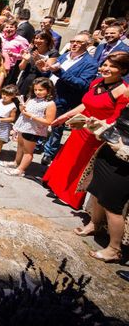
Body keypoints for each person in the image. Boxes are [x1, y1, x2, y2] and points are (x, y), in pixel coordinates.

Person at [42, 52, 129, 209]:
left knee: (81, 165)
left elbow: (116, 120)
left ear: (123, 70)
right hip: (80, 127)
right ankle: (57, 187)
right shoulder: (96, 82)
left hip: (97, 135)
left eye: (113, 66)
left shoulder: (124, 91)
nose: (106, 68)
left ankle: (71, 196)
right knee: (68, 159)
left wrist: (93, 124)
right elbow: (86, 104)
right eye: (105, 64)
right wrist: (67, 115)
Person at [74, 105, 129, 262]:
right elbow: (117, 126)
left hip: (124, 165)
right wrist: (99, 126)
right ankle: (94, 224)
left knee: (113, 206)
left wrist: (123, 150)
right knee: (97, 192)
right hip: (108, 154)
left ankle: (114, 249)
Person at [38, 32, 99, 165]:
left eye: (79, 42)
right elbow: (52, 71)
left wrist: (60, 73)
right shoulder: (65, 55)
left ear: (88, 45)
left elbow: (82, 84)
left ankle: (49, 152)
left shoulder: (90, 63)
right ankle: (38, 142)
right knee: (42, 120)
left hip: (64, 99)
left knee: (56, 127)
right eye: (72, 41)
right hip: (48, 94)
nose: (74, 44)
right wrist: (45, 70)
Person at [2, 78, 57, 176]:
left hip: (33, 130)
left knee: (28, 151)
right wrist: (21, 108)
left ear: (48, 90)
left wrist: (31, 116)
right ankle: (16, 162)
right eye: (35, 89)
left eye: (40, 90)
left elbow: (49, 121)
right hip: (23, 126)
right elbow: (24, 111)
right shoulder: (32, 98)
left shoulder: (50, 104)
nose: (37, 92)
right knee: (20, 145)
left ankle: (20, 170)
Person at [17, 32, 59, 100]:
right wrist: (25, 60)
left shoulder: (53, 53)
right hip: (25, 78)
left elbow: (46, 70)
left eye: (41, 38)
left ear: (47, 40)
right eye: (36, 38)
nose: (38, 40)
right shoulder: (31, 50)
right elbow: (21, 68)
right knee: (19, 100)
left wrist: (38, 59)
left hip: (39, 81)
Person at [0, 19, 29, 86]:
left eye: (11, 27)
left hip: (11, 68)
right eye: (6, 27)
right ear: (3, 29)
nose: (9, 29)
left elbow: (25, 56)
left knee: (6, 86)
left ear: (16, 29)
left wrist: (13, 55)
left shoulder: (22, 40)